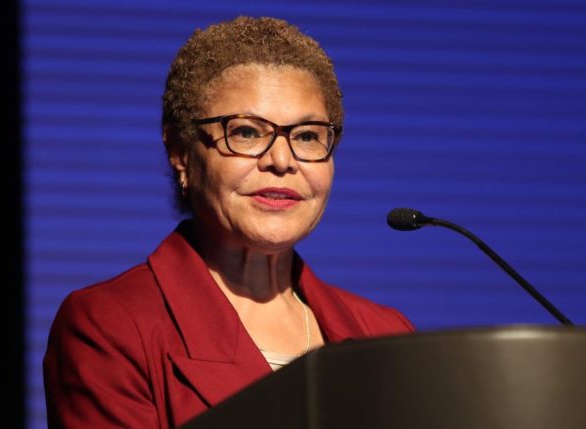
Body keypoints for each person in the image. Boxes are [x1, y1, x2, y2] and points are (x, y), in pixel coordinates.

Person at [43, 16, 415, 428]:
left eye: (307, 136)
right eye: (247, 132)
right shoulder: (111, 326)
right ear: (180, 150)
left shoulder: (383, 333)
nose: (282, 160)